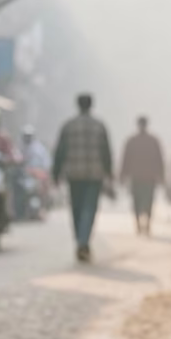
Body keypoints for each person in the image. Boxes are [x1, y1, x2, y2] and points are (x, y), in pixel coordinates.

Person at [52, 94, 113, 262]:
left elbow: (60, 152)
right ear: (91, 106)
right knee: (89, 209)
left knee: (76, 210)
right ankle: (83, 241)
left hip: (74, 174)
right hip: (94, 175)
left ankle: (80, 240)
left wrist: (55, 174)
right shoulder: (99, 126)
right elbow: (106, 153)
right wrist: (109, 173)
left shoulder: (68, 126)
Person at [119, 116, 164, 235]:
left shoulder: (133, 141)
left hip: (140, 177)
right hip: (144, 177)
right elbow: (126, 159)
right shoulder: (151, 141)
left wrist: (123, 175)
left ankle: (142, 222)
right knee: (142, 200)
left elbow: (125, 160)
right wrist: (161, 175)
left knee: (140, 200)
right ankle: (142, 223)